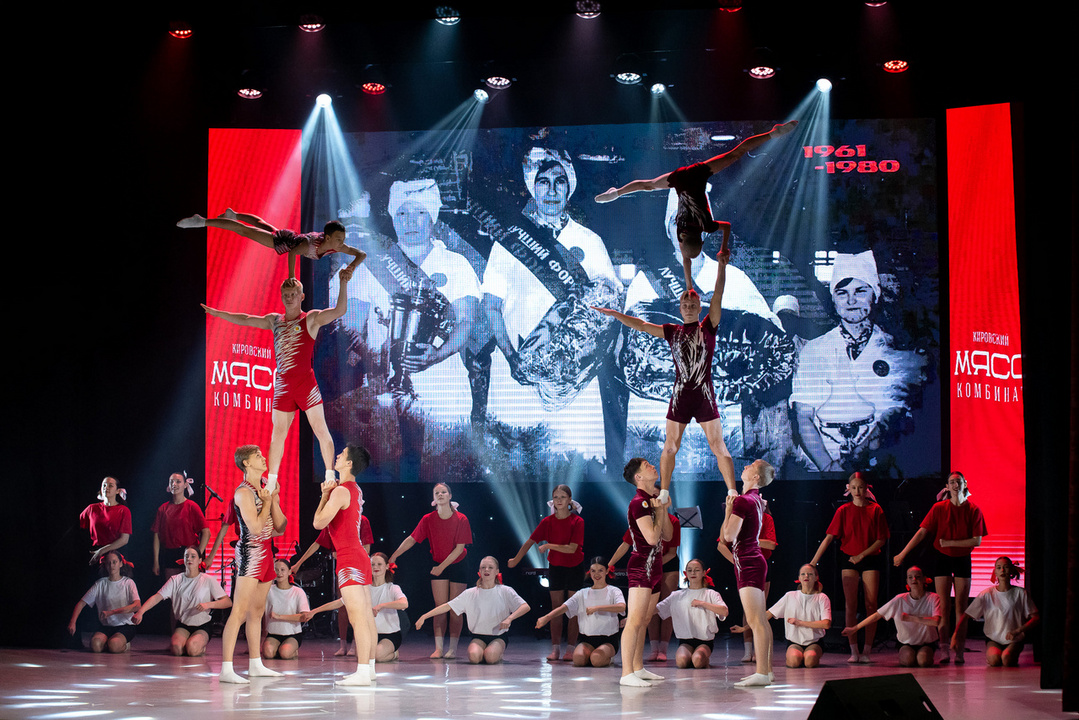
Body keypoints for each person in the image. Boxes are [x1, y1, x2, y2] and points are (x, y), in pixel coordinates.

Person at [480, 148, 623, 465]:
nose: (552, 190)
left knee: (574, 465)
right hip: (516, 377)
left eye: (560, 182)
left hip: (573, 384)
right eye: (543, 182)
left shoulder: (590, 242)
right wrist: (512, 357)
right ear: (533, 188)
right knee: (515, 466)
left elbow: (611, 311)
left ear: (569, 188)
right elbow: (490, 306)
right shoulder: (509, 241)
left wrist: (584, 366)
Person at [594, 240, 737, 502]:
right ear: (680, 309)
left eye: (693, 304)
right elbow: (641, 325)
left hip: (704, 395)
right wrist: (615, 314)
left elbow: (718, 294)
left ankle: (732, 491)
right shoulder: (672, 331)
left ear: (699, 308)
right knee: (670, 447)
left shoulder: (708, 327)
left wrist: (721, 267)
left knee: (718, 446)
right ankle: (664, 492)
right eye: (685, 303)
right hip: (681, 395)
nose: (689, 306)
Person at [202, 267, 357, 492]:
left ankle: (330, 475)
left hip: (305, 384)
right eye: (286, 294)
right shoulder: (274, 321)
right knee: (277, 435)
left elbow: (339, 310)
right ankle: (272, 481)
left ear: (302, 297)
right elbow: (245, 319)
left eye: (294, 294)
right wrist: (218, 314)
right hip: (283, 386)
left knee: (320, 430)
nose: (289, 297)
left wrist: (343, 283)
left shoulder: (311, 319)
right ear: (281, 296)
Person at [595, 121, 798, 286]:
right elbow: (686, 254)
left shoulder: (706, 226)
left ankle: (773, 134)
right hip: (683, 178)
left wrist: (723, 249)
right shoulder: (682, 230)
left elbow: (726, 227)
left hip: (696, 176)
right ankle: (617, 192)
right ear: (684, 237)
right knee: (648, 185)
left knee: (737, 153)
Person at [790, 250, 926, 471]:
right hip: (821, 463)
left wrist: (862, 454)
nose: (851, 301)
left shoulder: (893, 349)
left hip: (878, 463)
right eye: (842, 293)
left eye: (860, 291)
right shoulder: (814, 350)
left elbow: (895, 414)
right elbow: (803, 417)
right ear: (834, 300)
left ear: (875, 295)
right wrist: (828, 467)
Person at [893, 471, 987, 664]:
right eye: (952, 482)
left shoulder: (973, 509)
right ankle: (944, 647)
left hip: (962, 558)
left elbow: (976, 540)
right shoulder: (939, 508)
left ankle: (959, 649)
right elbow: (921, 532)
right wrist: (903, 553)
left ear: (964, 484)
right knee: (943, 607)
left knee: (961, 607)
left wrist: (951, 542)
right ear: (947, 486)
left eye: (958, 482)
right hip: (942, 558)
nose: (955, 485)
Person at [218, 445, 287, 684]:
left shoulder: (267, 486)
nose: (263, 457)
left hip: (267, 551)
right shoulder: (243, 493)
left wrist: (273, 499)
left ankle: (255, 665)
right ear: (246, 463)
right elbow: (256, 528)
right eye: (257, 456)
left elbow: (281, 527)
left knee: (257, 612)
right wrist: (266, 502)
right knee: (239, 611)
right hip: (250, 552)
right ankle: (226, 669)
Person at [313, 444, 377, 685]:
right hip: (359, 556)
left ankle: (363, 672)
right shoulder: (355, 489)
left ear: (349, 463)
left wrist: (324, 495)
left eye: (341, 455)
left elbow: (318, 523)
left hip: (349, 557)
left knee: (358, 617)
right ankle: (369, 669)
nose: (337, 456)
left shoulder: (341, 491)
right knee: (365, 617)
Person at [809, 472, 889, 663]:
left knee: (871, 604)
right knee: (850, 605)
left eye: (860, 487)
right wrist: (813, 561)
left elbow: (881, 539)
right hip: (849, 559)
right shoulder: (843, 510)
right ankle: (853, 650)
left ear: (866, 488)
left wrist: (862, 555)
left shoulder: (875, 509)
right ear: (849, 489)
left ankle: (867, 650)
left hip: (869, 558)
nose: (857, 491)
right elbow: (829, 537)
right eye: (853, 488)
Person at [388, 482, 472, 659]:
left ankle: (453, 648)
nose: (440, 494)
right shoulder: (428, 519)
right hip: (438, 563)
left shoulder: (461, 519)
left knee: (455, 608)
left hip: (457, 564)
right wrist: (394, 555)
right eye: (437, 493)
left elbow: (459, 548)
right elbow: (412, 539)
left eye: (443, 492)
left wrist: (441, 567)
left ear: (450, 496)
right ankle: (439, 648)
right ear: (433, 498)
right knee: (439, 607)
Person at [507, 484, 585, 661]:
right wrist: (516, 560)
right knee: (556, 609)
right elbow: (529, 541)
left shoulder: (577, 521)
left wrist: (549, 545)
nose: (559, 500)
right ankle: (555, 648)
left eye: (563, 497)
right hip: (556, 567)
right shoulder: (547, 522)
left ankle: (570, 648)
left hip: (575, 567)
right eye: (556, 497)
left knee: (573, 609)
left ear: (569, 500)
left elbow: (572, 548)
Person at [177, 210, 366, 280]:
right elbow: (292, 253)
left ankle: (233, 214)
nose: (342, 243)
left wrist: (351, 267)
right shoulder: (309, 245)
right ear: (328, 238)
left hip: (290, 236)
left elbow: (361, 254)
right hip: (284, 242)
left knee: (262, 224)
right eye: (339, 239)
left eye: (343, 239)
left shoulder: (337, 246)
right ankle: (202, 221)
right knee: (245, 231)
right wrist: (292, 277)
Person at [618, 458, 673, 687]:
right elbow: (651, 538)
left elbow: (667, 535)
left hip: (655, 566)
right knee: (634, 620)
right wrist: (658, 511)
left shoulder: (652, 501)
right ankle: (626, 673)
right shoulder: (639, 502)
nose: (653, 466)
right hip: (641, 566)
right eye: (647, 465)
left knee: (644, 620)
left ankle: (638, 667)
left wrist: (663, 509)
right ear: (638, 477)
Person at [721, 459, 776, 687]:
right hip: (753, 560)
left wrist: (728, 511)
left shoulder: (744, 501)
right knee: (760, 619)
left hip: (748, 561)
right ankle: (767, 671)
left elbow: (728, 536)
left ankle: (762, 672)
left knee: (755, 620)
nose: (744, 467)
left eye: (750, 466)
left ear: (756, 477)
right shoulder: (755, 500)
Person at [415, 556, 530, 664]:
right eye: (483, 567)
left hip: (498, 636)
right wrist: (424, 616)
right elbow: (447, 606)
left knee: (490, 657)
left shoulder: (505, 591)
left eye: (490, 567)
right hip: (478, 636)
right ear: (479, 571)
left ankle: (495, 653)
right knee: (474, 657)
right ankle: (484, 651)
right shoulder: (470, 593)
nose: (486, 570)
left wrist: (509, 618)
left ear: (496, 571)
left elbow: (525, 606)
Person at [302, 552, 409, 662]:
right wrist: (315, 611)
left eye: (379, 564)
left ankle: (394, 653)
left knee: (377, 656)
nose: (375, 567)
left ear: (387, 566)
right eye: (372, 564)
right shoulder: (364, 588)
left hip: (389, 635)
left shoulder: (392, 588)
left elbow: (404, 603)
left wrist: (381, 606)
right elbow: (340, 602)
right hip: (369, 634)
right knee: (360, 656)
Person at [290, 515, 372, 656]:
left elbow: (366, 547)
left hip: (356, 566)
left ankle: (357, 645)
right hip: (343, 566)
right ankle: (343, 645)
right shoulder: (331, 522)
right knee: (343, 606)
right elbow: (317, 544)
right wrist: (298, 563)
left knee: (359, 608)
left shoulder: (361, 519)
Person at [132, 546, 231, 656]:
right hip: (183, 624)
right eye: (186, 556)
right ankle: (184, 642)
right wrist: (141, 612)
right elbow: (157, 597)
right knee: (177, 650)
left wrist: (208, 605)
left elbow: (227, 602)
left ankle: (198, 646)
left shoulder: (208, 580)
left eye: (193, 556)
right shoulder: (175, 580)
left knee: (192, 649)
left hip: (202, 625)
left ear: (199, 560)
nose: (189, 559)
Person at [842, 566, 942, 668]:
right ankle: (912, 655)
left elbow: (936, 621)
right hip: (906, 642)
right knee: (908, 660)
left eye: (918, 577)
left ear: (924, 579)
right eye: (910, 577)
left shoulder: (933, 597)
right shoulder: (899, 599)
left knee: (923, 661)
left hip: (926, 642)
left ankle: (922, 655)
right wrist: (855, 628)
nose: (914, 579)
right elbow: (877, 615)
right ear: (907, 581)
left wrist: (912, 618)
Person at [535, 557, 625, 667]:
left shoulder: (614, 591)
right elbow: (564, 607)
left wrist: (597, 608)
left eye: (600, 570)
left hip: (608, 639)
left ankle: (605, 657)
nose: (596, 574)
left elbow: (621, 607)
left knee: (597, 659)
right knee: (578, 660)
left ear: (607, 571)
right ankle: (592, 655)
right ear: (589, 572)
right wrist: (546, 617)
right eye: (593, 571)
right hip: (587, 639)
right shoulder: (582, 593)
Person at [736, 564, 830, 669]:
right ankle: (799, 656)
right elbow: (768, 614)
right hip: (795, 642)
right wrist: (745, 628)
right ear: (799, 578)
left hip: (814, 642)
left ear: (816, 577)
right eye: (803, 574)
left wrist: (800, 623)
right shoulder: (790, 596)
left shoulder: (822, 598)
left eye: (810, 574)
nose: (806, 576)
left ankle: (809, 655)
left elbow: (826, 624)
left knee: (810, 661)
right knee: (793, 662)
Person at [719, 498, 777, 663]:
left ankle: (762, 653)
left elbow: (771, 544)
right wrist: (737, 561)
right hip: (744, 565)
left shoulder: (766, 518)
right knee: (748, 610)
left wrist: (751, 539)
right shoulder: (738, 517)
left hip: (760, 564)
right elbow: (721, 544)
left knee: (760, 610)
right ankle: (748, 649)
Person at [956, 557, 1039, 667]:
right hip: (994, 639)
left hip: (1015, 639)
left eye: (1006, 567)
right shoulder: (987, 594)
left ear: (1011, 570)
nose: (1002, 570)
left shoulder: (1020, 593)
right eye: (999, 568)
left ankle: (1011, 654)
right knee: (995, 661)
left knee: (1007, 659)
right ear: (995, 571)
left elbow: (1035, 617)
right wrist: (955, 636)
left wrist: (1018, 631)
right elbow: (966, 615)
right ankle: (994, 654)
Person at [654, 559, 728, 669]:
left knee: (698, 660)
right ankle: (691, 657)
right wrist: (635, 616)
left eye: (697, 570)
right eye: (690, 570)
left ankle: (701, 659)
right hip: (685, 641)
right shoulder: (677, 595)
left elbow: (724, 611)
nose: (693, 573)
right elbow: (658, 609)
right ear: (686, 573)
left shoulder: (711, 594)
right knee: (681, 662)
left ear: (703, 573)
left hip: (705, 641)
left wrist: (702, 603)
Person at [67, 550, 140, 653]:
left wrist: (112, 612)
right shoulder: (100, 584)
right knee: (95, 645)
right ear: (105, 565)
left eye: (114, 562)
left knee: (114, 646)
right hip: (106, 626)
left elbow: (137, 605)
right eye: (108, 563)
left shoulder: (128, 583)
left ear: (120, 564)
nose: (111, 565)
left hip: (125, 626)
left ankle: (123, 644)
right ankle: (109, 642)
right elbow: (81, 603)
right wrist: (72, 622)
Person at [152, 473, 210, 578]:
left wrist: (197, 555)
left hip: (188, 552)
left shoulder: (192, 506)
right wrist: (156, 561)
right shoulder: (163, 509)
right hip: (170, 553)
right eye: (171, 482)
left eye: (178, 482)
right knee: (172, 585)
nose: (174, 484)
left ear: (185, 485)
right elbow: (156, 535)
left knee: (190, 585)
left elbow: (206, 532)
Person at [262, 558, 311, 660]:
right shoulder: (268, 590)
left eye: (282, 570)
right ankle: (278, 649)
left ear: (289, 572)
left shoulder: (297, 592)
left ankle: (291, 651)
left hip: (292, 634)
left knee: (285, 653)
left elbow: (304, 616)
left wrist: (279, 616)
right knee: (268, 653)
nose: (279, 573)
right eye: (276, 570)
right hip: (273, 633)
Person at [80, 477, 131, 566]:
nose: (106, 488)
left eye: (110, 486)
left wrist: (102, 551)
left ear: (117, 491)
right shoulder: (91, 508)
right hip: (95, 554)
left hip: (116, 555)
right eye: (104, 485)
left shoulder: (123, 510)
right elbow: (80, 529)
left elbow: (124, 540)